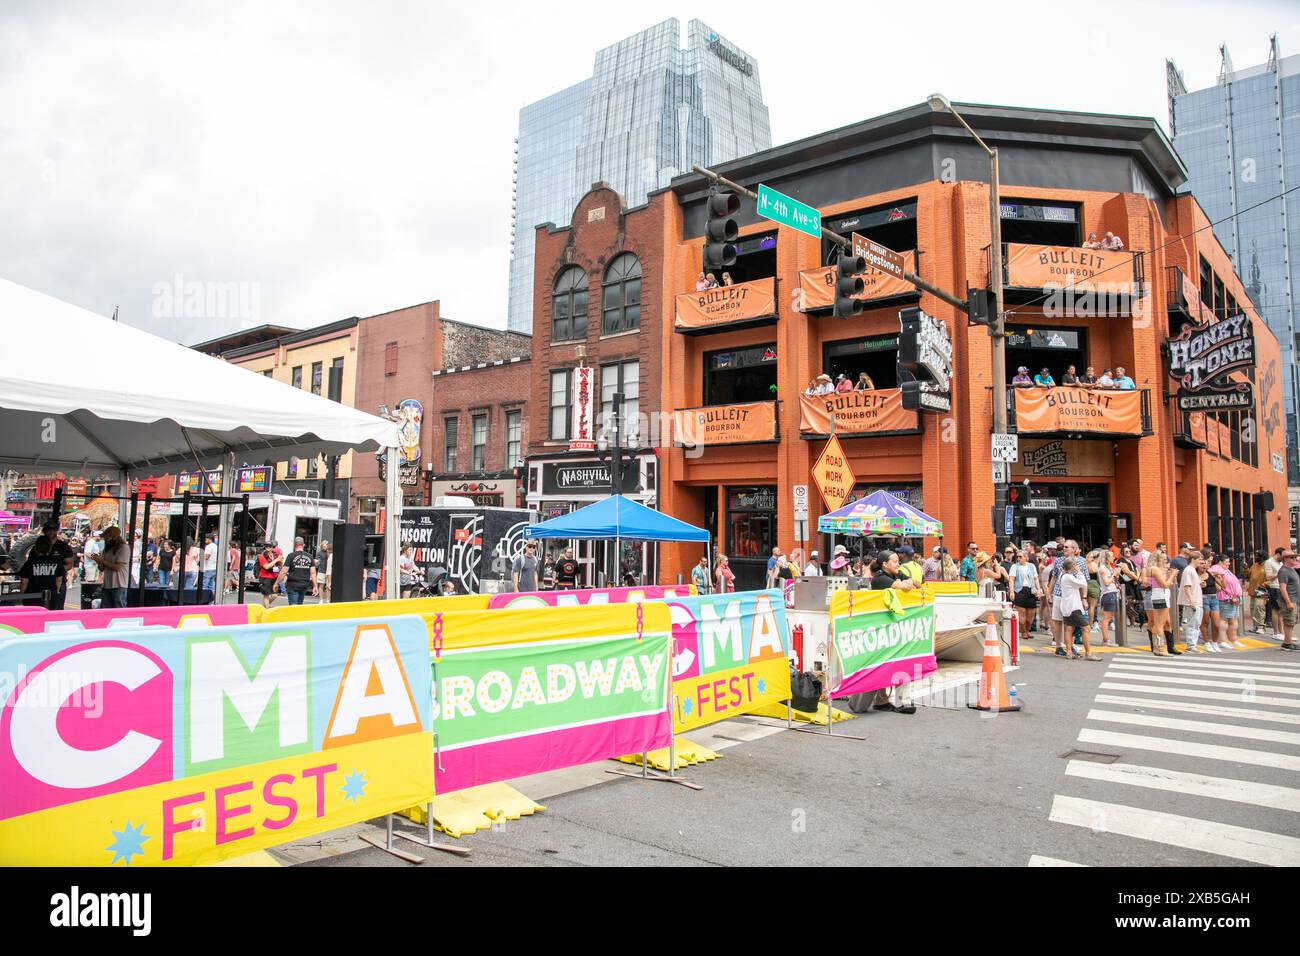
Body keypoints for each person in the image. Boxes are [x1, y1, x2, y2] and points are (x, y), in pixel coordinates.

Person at [20, 522, 76, 610]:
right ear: (44, 531)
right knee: (34, 612)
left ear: (57, 531)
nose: (51, 532)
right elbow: (27, 572)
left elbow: (69, 564)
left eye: (54, 530)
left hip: (56, 586)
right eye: (48, 530)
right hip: (35, 587)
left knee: (55, 612)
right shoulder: (35, 548)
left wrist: (54, 571)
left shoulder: (64, 547)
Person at [1056, 556, 1097, 660]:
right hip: (1074, 607)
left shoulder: (1062, 575)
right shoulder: (1069, 577)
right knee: (1086, 628)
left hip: (1066, 606)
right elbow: (1083, 584)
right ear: (1073, 566)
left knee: (1069, 628)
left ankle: (1069, 652)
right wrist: (1079, 572)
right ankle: (1088, 653)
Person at [90, 525, 131, 609]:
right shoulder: (107, 549)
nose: (105, 539)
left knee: (118, 608)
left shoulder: (124, 548)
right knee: (106, 609)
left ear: (113, 537)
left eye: (107, 537)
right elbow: (102, 568)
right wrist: (98, 561)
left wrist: (102, 561)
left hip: (119, 584)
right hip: (107, 584)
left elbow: (118, 567)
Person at [1144, 552, 1177, 656]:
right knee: (1159, 624)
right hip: (1161, 595)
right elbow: (1165, 584)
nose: (1165, 561)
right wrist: (1172, 574)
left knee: (1159, 623)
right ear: (1158, 559)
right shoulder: (1155, 569)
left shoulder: (1151, 569)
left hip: (1157, 595)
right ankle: (1161, 648)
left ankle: (1157, 647)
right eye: (1163, 559)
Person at [1209, 556, 1245, 650]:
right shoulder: (1216, 568)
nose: (1228, 564)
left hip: (1234, 597)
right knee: (1224, 620)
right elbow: (1212, 573)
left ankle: (1233, 639)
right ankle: (1222, 640)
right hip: (1226, 598)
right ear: (1220, 562)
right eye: (1226, 562)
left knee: (1233, 619)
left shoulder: (1226, 570)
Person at [1180, 550, 1207, 653]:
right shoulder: (1189, 570)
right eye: (1199, 559)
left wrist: (1200, 584)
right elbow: (1187, 586)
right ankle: (1191, 645)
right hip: (1193, 601)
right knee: (1192, 624)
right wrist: (1191, 601)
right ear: (1193, 559)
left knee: (1196, 623)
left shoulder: (1192, 571)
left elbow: (1191, 585)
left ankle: (1192, 644)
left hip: (1196, 600)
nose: (1201, 562)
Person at [277, 537, 318, 606]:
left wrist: (276, 583)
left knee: (293, 606)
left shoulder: (291, 556)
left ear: (294, 545)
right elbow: (313, 573)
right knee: (299, 605)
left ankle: (294, 616)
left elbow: (284, 571)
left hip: (293, 584)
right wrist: (315, 586)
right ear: (303, 545)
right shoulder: (310, 556)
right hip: (304, 584)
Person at [1011, 550, 1041, 640]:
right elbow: (1011, 579)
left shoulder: (1031, 566)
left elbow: (1036, 578)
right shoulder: (1014, 566)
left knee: (1031, 614)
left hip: (1031, 590)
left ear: (1026, 557)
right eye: (1017, 557)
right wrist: (1012, 591)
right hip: (1019, 590)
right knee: (1022, 612)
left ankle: (1027, 629)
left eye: (1020, 557)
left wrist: (1039, 589)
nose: (1018, 558)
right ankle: (1023, 631)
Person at [1277, 552, 1300, 651]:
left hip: (1295, 600)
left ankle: (1289, 641)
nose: (1295, 559)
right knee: (1288, 622)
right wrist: (1288, 602)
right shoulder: (1284, 571)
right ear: (1285, 559)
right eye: (1292, 557)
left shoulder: (1291, 569)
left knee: (1292, 622)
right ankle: (1287, 643)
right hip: (1289, 600)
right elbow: (1282, 588)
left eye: (1295, 557)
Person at [1246, 550, 1271, 635]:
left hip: (1262, 591)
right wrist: (1245, 569)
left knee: (1259, 608)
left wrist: (1263, 585)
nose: (1255, 557)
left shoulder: (1268, 565)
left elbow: (1272, 579)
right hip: (1253, 591)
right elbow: (1247, 575)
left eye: (1257, 556)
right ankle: (1255, 626)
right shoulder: (1255, 565)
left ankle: (1261, 627)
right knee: (1253, 609)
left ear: (1262, 557)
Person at [257, 542, 282, 608]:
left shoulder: (275, 555)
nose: (267, 547)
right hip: (265, 577)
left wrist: (279, 563)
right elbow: (266, 566)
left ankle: (264, 607)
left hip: (274, 576)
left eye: (269, 546)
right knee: (266, 595)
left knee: (274, 595)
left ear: (272, 547)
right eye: (266, 546)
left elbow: (280, 565)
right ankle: (267, 609)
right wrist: (276, 560)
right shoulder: (261, 556)